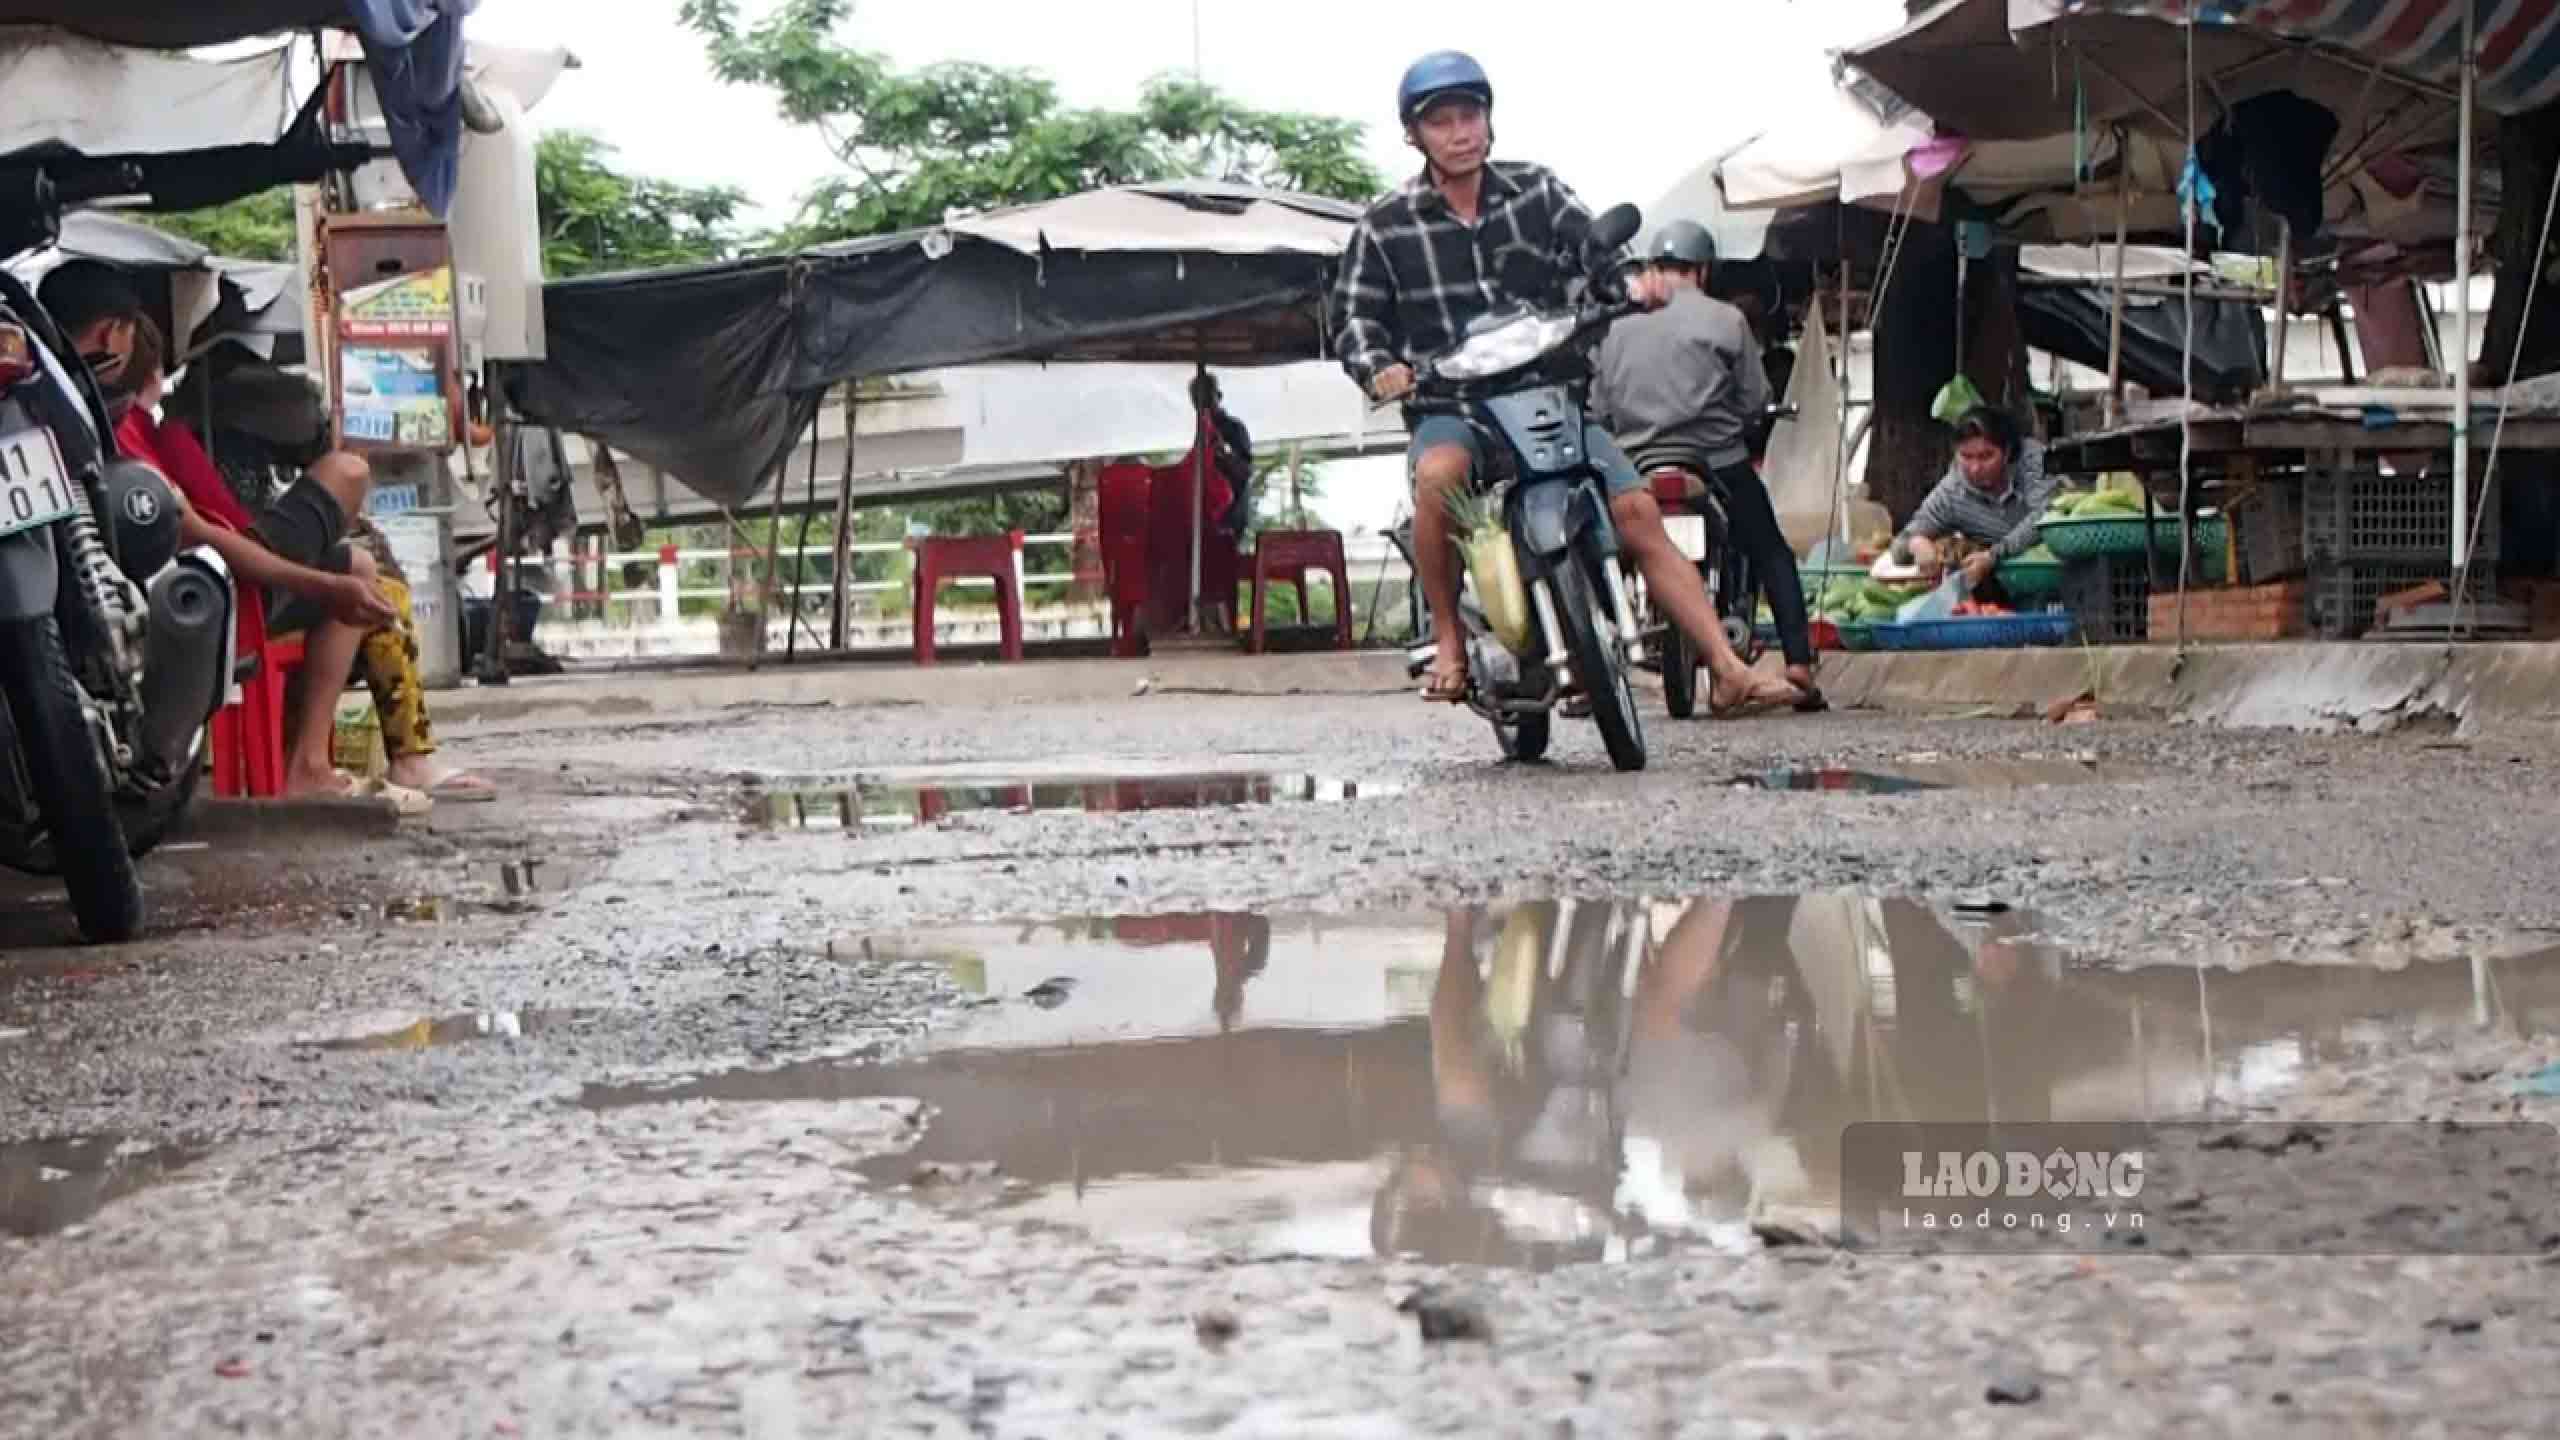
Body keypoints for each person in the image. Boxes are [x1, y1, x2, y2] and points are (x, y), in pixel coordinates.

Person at [1330, 51, 1800, 714]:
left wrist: (1633, 285)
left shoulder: (1538, 191)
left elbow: (1596, 256)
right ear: (1416, 135)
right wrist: (1379, 366)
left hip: (1550, 392)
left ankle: (1726, 669)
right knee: (1437, 477)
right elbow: (1353, 317)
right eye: (1442, 122)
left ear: (1489, 121)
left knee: (1638, 511)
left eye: (1471, 115)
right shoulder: (1386, 223)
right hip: (1454, 405)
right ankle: (1448, 641)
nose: (1461, 132)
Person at [39, 262, 480, 804]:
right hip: (208, 594)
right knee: (349, 482)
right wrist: (319, 585)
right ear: (115, 334)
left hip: (189, 581)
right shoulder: (129, 431)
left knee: (359, 566)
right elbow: (202, 535)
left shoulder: (71, 422)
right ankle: (350, 761)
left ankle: (317, 764)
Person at [1592, 221, 1823, 712]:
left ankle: (1588, 667)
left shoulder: (1613, 326)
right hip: (1717, 462)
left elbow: (1601, 409)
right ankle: (1799, 666)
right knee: (1771, 552)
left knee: (1602, 555)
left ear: (1653, 268)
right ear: (1703, 269)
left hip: (1637, 468)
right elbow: (1755, 398)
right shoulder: (1727, 320)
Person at [1889, 406, 2058, 593]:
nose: (1975, 468)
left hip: (2059, 575)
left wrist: (1994, 555)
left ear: (2007, 452)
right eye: (1966, 457)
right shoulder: (1951, 492)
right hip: (2007, 589)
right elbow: (1899, 547)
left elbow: (2045, 515)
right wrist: (1917, 543)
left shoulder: (2033, 459)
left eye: (1986, 456)